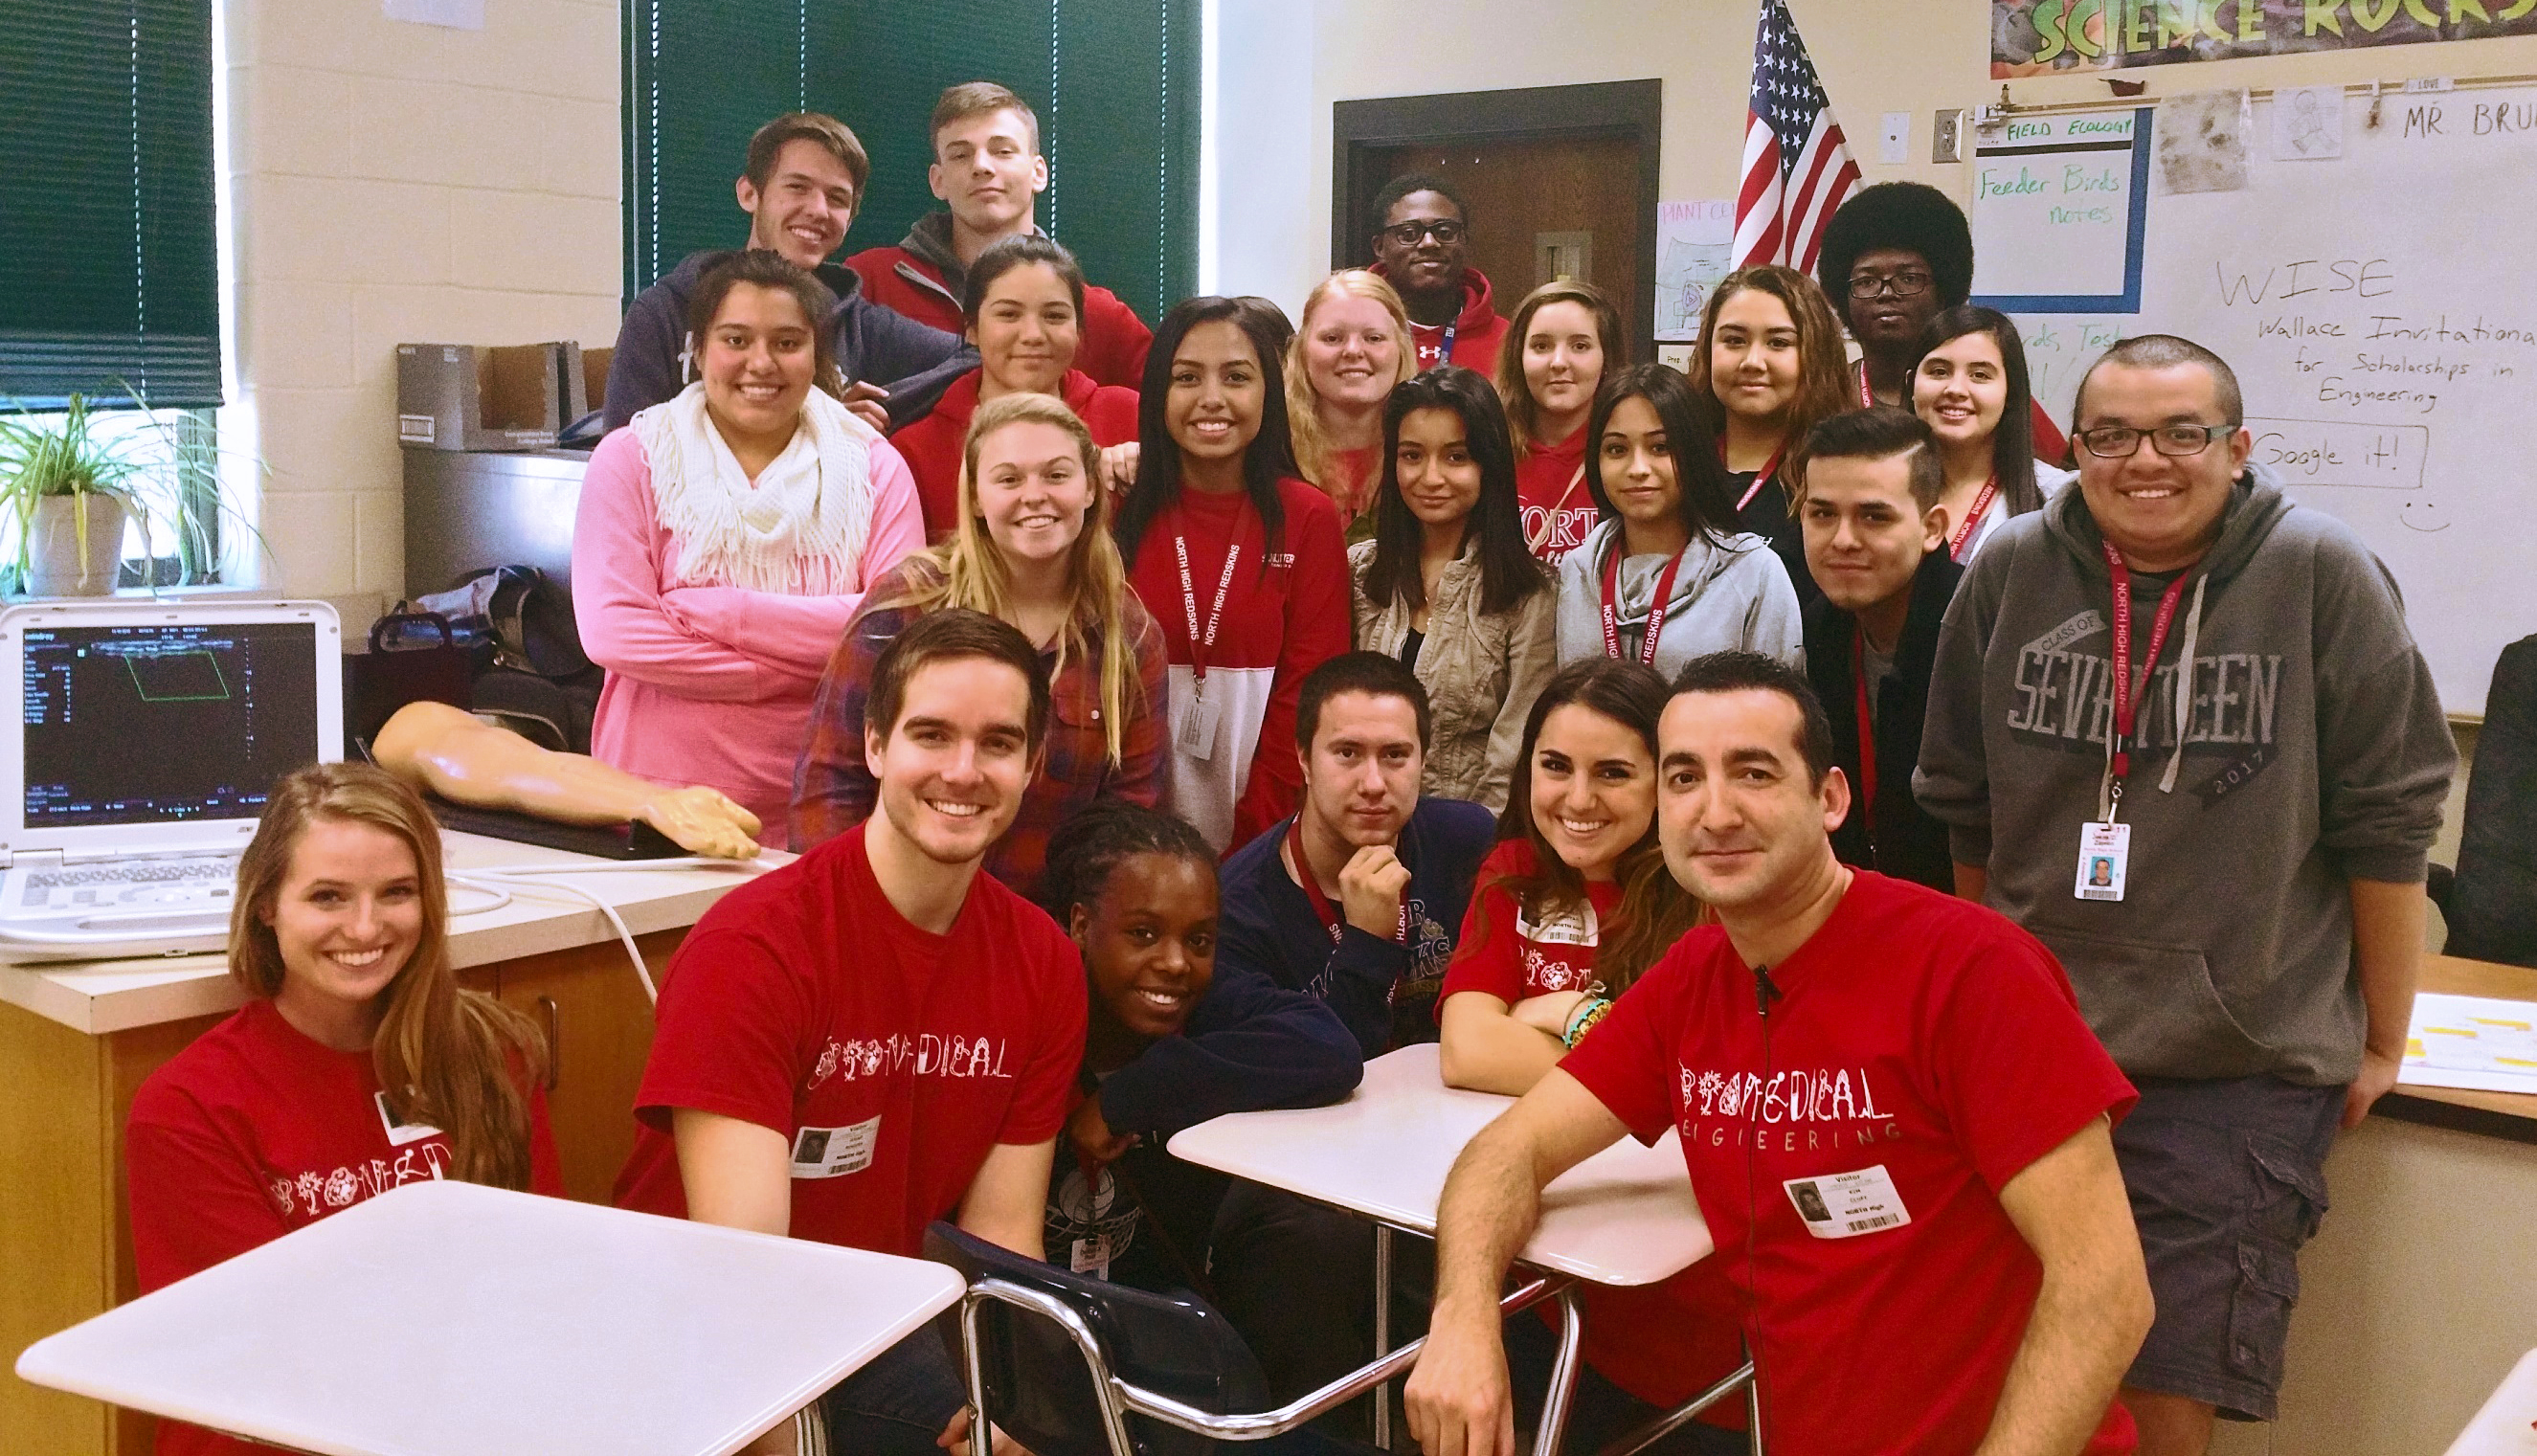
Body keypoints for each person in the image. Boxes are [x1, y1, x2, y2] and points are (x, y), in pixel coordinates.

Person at [1915, 335, 2457, 1455]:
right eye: (2109, 436)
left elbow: (2389, 826)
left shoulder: (2318, 572)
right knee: (1997, 1357)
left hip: (2229, 1062)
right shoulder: (2011, 569)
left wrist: (2381, 1041)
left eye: (2180, 433)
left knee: (2160, 1387)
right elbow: (1965, 805)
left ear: (2237, 447)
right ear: (2077, 448)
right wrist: (1986, 994)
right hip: (2034, 1051)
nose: (2143, 460)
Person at [1404, 650, 2154, 1456]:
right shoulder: (1691, 981)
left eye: (1754, 773)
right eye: (1684, 778)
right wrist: (1463, 1317)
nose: (1715, 811)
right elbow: (1507, 1152)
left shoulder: (1971, 969)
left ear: (1829, 798)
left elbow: (2106, 1290)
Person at [615, 609, 1087, 1456]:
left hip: (882, 1325)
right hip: (688, 1335)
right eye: (931, 734)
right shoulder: (754, 948)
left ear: (1032, 764)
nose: (963, 771)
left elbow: (1003, 1241)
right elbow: (741, 1277)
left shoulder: (1044, 961)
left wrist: (1014, 1404)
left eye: (999, 743)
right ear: (874, 746)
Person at [128, 764, 562, 1456]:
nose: (365, 927)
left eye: (396, 892)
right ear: (267, 903)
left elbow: (542, 1281)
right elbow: (257, 1355)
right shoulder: (189, 1106)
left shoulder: (492, 1054)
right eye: (328, 896)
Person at [1435, 658, 1741, 1456]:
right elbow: (1467, 1047)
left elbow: (1694, 1084)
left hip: (1681, 1286)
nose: (1576, 800)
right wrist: (1611, 1044)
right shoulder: (1512, 872)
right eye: (1555, 766)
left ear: (1664, 781)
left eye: (1612, 772)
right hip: (1538, 1258)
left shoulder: (1709, 892)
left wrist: (1558, 1013)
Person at [1207, 652, 1496, 1419]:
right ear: (1302, 758)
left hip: (1448, 1148)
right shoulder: (1241, 907)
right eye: (1348, 754)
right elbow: (1314, 1072)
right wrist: (1366, 945)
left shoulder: (1463, 841)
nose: (1374, 782)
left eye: (1396, 755)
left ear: (1424, 761)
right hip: (1304, 1186)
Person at [574, 250, 925, 844]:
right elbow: (613, 633)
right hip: (659, 804)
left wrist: (723, 614)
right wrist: (797, 670)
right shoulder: (633, 459)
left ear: (818, 355)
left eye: (788, 342)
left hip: (829, 802)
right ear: (698, 348)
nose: (760, 363)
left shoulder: (874, 468)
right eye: (736, 339)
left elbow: (896, 630)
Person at [793, 392, 1167, 897]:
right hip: (895, 908)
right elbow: (830, 780)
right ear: (975, 497)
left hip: (1042, 933)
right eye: (1009, 479)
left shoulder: (1131, 635)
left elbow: (1130, 824)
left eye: (1057, 475)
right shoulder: (909, 602)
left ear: (1090, 490)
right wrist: (844, 914)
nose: (1034, 495)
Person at [1036, 800, 1361, 1291]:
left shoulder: (1200, 1000)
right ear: (1081, 926)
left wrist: (1131, 1095)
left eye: (1200, 941)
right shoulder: (1032, 1012)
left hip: (1169, 1313)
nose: (1175, 962)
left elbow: (1332, 1048)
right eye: (1143, 934)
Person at [1115, 296, 1352, 854]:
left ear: (1269, 392)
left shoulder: (1308, 518)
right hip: (1131, 836)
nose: (1212, 399)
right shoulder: (1116, 509)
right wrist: (1138, 844)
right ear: (1158, 394)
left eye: (1237, 377)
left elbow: (1310, 700)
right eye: (1187, 377)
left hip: (1269, 842)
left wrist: (1251, 849)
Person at [605, 112, 968, 433]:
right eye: (797, 187)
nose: (818, 210)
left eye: (837, 199)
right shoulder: (664, 313)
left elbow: (978, 359)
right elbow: (627, 457)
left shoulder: (864, 329)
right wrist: (818, 424)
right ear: (750, 194)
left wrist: (854, 425)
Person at [846, 81, 1152, 389]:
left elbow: (1177, 408)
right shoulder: (869, 282)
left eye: (1002, 151)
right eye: (961, 155)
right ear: (938, 181)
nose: (981, 166)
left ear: (1039, 173)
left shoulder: (1094, 313)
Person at [1350, 366, 1556, 812]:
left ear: (1490, 464)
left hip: (1470, 840)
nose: (1431, 477)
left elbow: (1514, 757)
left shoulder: (1529, 592)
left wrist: (1461, 852)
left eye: (1456, 457)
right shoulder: (1358, 573)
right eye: (1412, 455)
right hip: (1357, 823)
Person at [1796, 407, 1961, 892]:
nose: (1843, 540)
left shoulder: (1978, 631)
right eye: (1822, 514)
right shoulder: (1819, 628)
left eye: (1874, 516)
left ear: (1932, 528)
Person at [885, 234, 1140, 538]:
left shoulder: (1131, 417)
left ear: (1079, 330)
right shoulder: (914, 450)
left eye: (1055, 316)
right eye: (1008, 314)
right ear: (971, 329)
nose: (1033, 334)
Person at [1554, 364, 1802, 677]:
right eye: (1616, 449)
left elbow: (1779, 710)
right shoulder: (1575, 571)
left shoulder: (1754, 572)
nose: (1637, 468)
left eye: (1660, 447)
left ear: (1693, 453)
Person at [1817, 180, 2070, 462]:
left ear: (1944, 290)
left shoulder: (1989, 400)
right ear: (1843, 296)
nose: (1886, 293)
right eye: (1866, 281)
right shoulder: (1824, 397)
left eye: (1909, 278)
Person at [1687, 265, 1851, 606]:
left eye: (1778, 343)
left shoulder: (1838, 472)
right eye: (1734, 341)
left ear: (1813, 355)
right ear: (1707, 348)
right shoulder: (1674, 460)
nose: (1753, 361)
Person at [1907, 304, 2073, 563]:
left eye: (1980, 375)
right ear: (1911, 384)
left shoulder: (2058, 499)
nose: (1956, 389)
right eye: (1939, 371)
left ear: (2011, 394)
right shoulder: (1869, 485)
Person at [1497, 279, 1626, 562]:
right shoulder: (1489, 446)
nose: (1558, 362)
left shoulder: (1627, 451)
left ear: (1606, 358)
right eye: (1541, 346)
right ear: (1518, 357)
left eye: (1580, 346)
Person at [1287, 269, 1417, 526]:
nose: (1354, 351)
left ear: (1401, 349)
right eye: (1332, 338)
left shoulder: (1427, 455)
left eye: (1373, 338)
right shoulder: (1272, 451)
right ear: (1302, 350)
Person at [1366, 172, 1509, 372]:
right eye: (1409, 233)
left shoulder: (1509, 342)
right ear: (1380, 247)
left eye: (1445, 232)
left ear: (1464, 242)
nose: (1429, 243)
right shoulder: (1349, 339)